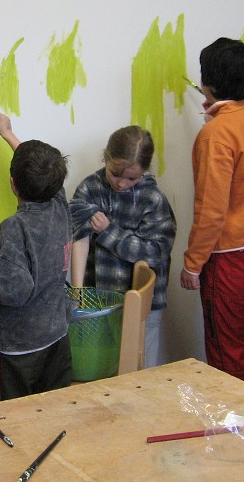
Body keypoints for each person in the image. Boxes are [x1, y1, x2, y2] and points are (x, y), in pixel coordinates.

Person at [180, 38, 244, 386]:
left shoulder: (215, 134)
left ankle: (237, 420)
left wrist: (193, 263)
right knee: (237, 345)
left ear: (208, 83)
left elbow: (211, 211)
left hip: (231, 257)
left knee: (227, 356)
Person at [0, 111, 73, 401]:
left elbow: (12, 290)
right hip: (56, 335)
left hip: (17, 348)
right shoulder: (60, 205)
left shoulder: (14, 228)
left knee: (9, 417)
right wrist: (8, 134)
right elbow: (43, 173)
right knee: (53, 408)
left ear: (12, 184)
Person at [69, 125, 176, 368]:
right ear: (105, 158)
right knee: (104, 364)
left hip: (144, 305)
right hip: (99, 298)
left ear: (144, 171)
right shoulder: (90, 188)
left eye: (131, 178)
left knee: (142, 365)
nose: (121, 183)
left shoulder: (152, 198)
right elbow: (79, 238)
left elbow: (155, 253)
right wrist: (78, 294)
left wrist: (109, 232)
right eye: (115, 174)